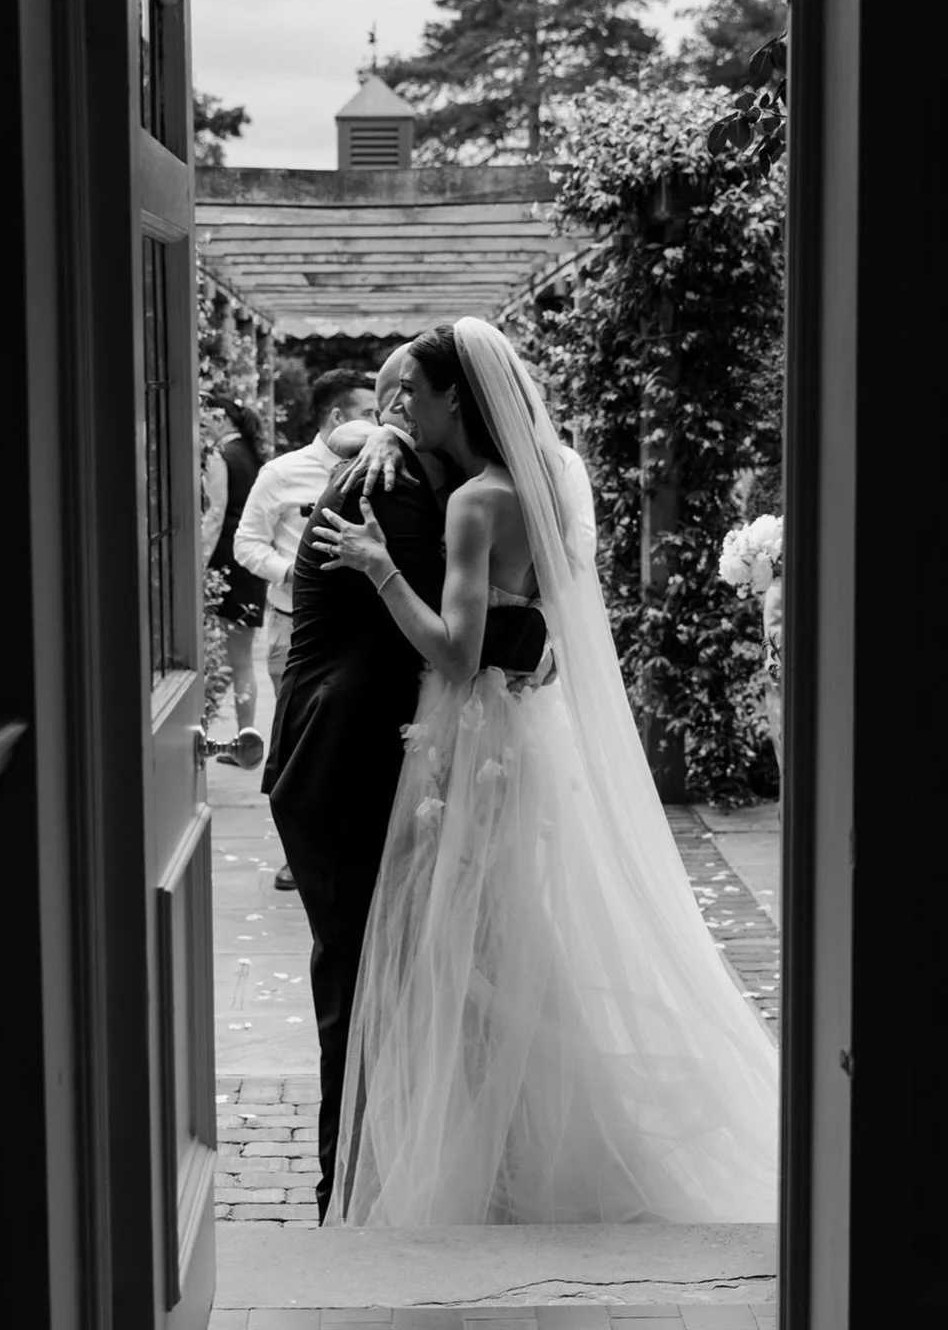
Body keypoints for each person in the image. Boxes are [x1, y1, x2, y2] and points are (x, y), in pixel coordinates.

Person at [309, 319, 779, 1228]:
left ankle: (488, 1162)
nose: (400, 407)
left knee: (461, 946)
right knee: (510, 939)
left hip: (470, 742)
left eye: (415, 395)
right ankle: (520, 1145)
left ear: (458, 399)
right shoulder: (548, 485)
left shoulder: (474, 505)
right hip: (525, 735)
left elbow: (456, 651)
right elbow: (541, 630)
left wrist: (375, 568)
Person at [260, 346, 448, 1219]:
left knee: (379, 967)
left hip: (346, 753)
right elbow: (453, 633)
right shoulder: (391, 484)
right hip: (337, 761)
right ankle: (347, 1185)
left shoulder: (397, 461)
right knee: (358, 973)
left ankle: (370, 1170)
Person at [234, 366, 377, 886]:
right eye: (369, 412)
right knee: (298, 741)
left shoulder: (389, 467)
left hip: (366, 629)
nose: (380, 422)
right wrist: (292, 572)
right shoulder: (281, 473)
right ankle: (300, 853)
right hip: (294, 625)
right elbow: (246, 543)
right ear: (337, 417)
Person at [202, 396, 269, 740]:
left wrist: (199, 565)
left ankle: (244, 739)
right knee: (241, 656)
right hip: (249, 560)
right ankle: (246, 735)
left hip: (227, 560)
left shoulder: (219, 456)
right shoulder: (251, 454)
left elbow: (215, 513)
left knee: (233, 657)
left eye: (208, 415)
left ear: (223, 419)